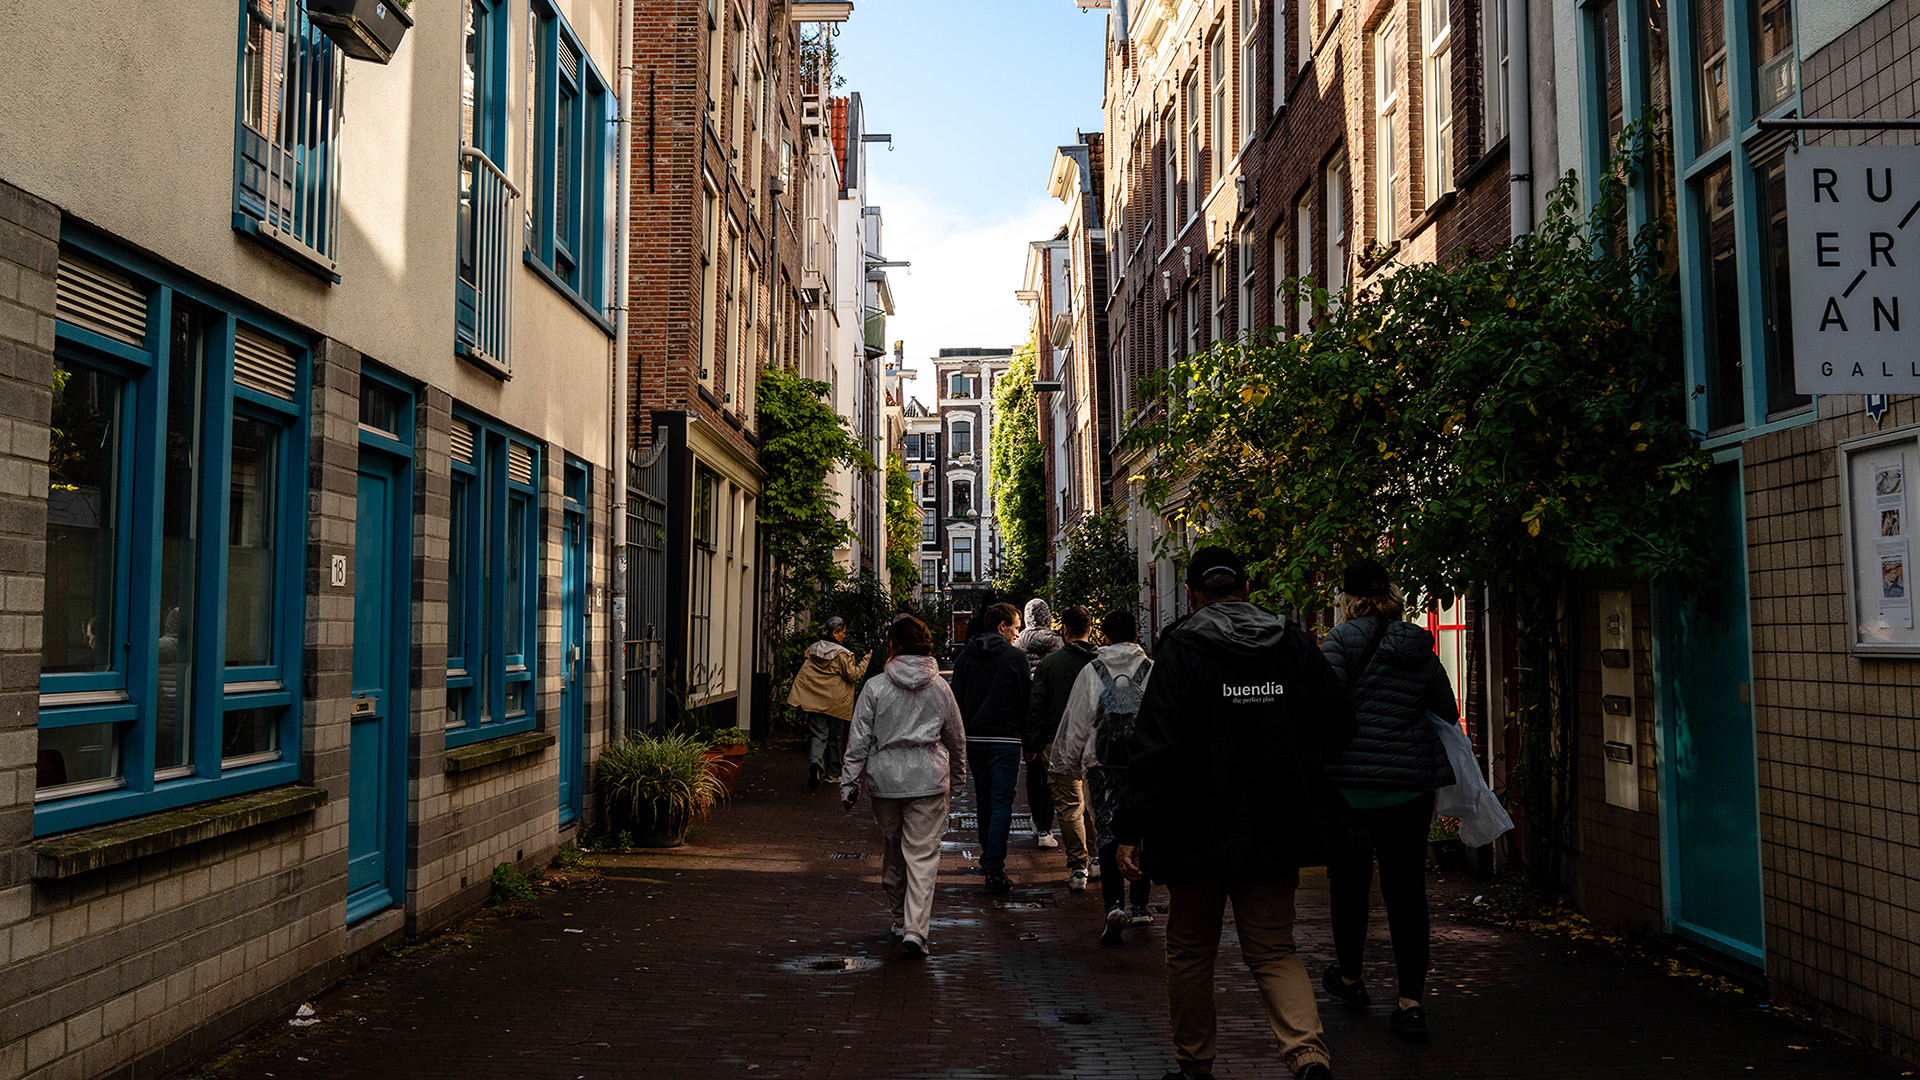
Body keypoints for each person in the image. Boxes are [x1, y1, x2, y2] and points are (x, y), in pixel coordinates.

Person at [1115, 546, 1356, 1080]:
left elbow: (1153, 745)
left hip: (1193, 828)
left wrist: (1130, 828)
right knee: (1274, 950)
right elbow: (1337, 719)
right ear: (1247, 590)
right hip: (1274, 823)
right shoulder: (1289, 641)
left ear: (1195, 596)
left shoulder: (1179, 649)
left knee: (1190, 951)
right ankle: (1308, 1054)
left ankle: (1195, 1064)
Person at [1317, 558, 1459, 1044]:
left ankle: (1352, 981)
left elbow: (1327, 707)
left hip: (1351, 787)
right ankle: (1411, 1004)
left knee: (1350, 886)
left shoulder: (1338, 641)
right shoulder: (1419, 643)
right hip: (1409, 786)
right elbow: (1448, 708)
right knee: (1406, 892)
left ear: (1347, 599)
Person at [842, 615, 967, 958]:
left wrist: (848, 782)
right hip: (928, 779)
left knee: (893, 850)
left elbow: (859, 739)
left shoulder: (876, 687)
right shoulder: (940, 687)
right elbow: (955, 736)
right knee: (923, 856)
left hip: (885, 781)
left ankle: (900, 918)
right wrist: (958, 776)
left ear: (893, 644)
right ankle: (916, 929)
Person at [1051, 608, 1156, 942]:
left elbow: (1078, 722)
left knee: (1108, 831)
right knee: (1141, 831)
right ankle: (1140, 906)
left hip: (1101, 762)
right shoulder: (1151, 670)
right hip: (1143, 762)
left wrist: (1068, 763)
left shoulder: (1092, 671)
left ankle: (1113, 904)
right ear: (1137, 636)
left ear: (1104, 638)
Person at [949, 601, 1030, 893]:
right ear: (1002, 626)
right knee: (1001, 803)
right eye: (1015, 628)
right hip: (1006, 740)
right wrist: (1029, 739)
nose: (1016, 635)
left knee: (983, 800)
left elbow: (955, 701)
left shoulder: (965, 658)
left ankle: (988, 859)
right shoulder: (1015, 658)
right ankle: (994, 867)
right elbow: (1026, 701)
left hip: (974, 739)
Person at [1028, 604, 1100, 888]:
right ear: (1090, 629)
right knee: (1094, 802)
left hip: (1057, 742)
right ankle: (1096, 859)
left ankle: (1077, 867)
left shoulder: (1051, 663)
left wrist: (1032, 742)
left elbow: (1037, 705)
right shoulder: (1101, 661)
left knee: (1070, 808)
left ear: (1065, 630)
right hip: (1096, 742)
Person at [785, 616, 866, 789]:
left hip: (815, 699)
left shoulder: (813, 650)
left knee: (818, 735)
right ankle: (833, 774)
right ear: (835, 632)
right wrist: (866, 661)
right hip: (836, 701)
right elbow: (852, 675)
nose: (844, 636)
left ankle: (815, 763)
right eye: (843, 632)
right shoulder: (842, 654)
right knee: (835, 737)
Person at [1013, 598, 1065, 849]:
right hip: (1054, 715)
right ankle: (1048, 823)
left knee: (1033, 770)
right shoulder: (1058, 644)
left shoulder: (1017, 644)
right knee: (1054, 770)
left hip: (1028, 714)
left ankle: (1039, 822)